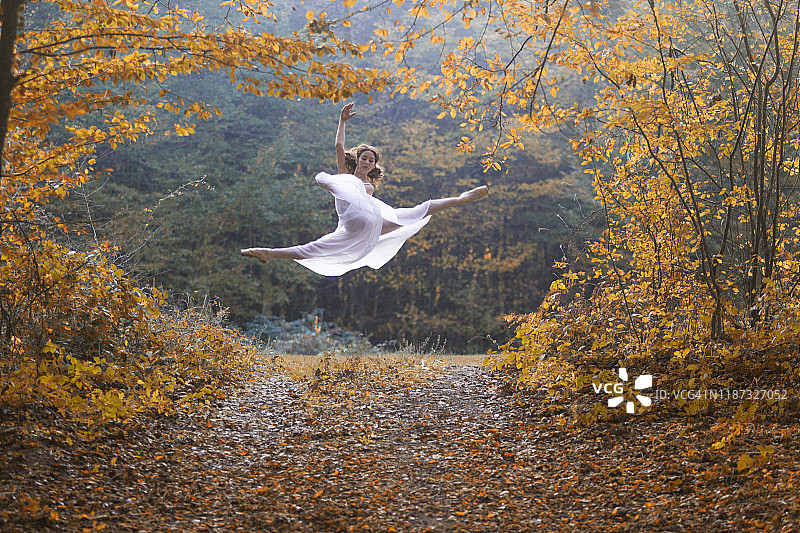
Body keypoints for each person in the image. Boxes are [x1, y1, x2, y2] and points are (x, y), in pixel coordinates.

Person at [241, 103, 489, 276]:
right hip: (352, 228)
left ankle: (461, 198)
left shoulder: (369, 185)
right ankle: (268, 252)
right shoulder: (345, 177)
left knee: (415, 213)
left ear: (373, 165)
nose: (367, 161)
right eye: (364, 158)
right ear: (358, 159)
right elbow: (339, 146)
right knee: (313, 249)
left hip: (375, 223)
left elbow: (379, 203)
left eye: (372, 160)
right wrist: (342, 121)